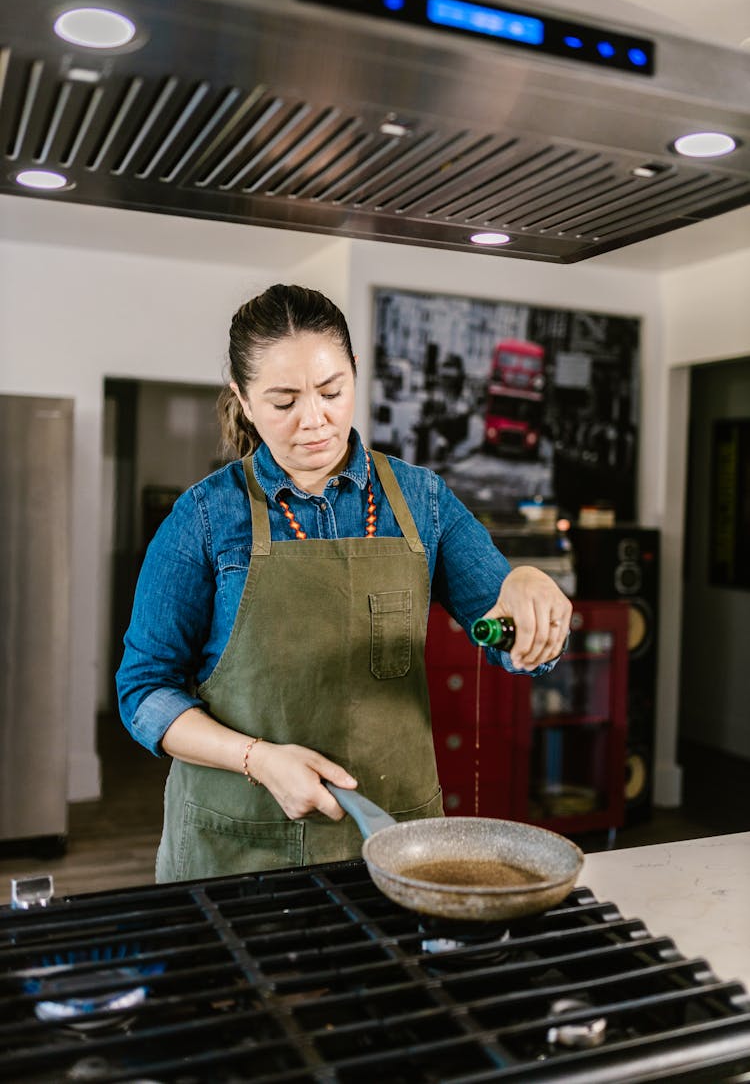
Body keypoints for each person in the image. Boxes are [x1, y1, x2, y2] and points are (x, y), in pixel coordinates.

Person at [116, 284, 572, 883]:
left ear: (355, 373)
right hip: (235, 852)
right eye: (283, 402)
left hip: (391, 850)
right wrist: (257, 759)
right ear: (244, 401)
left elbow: (513, 640)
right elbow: (144, 694)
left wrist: (531, 597)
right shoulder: (203, 517)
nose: (315, 420)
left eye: (332, 391)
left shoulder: (421, 500)